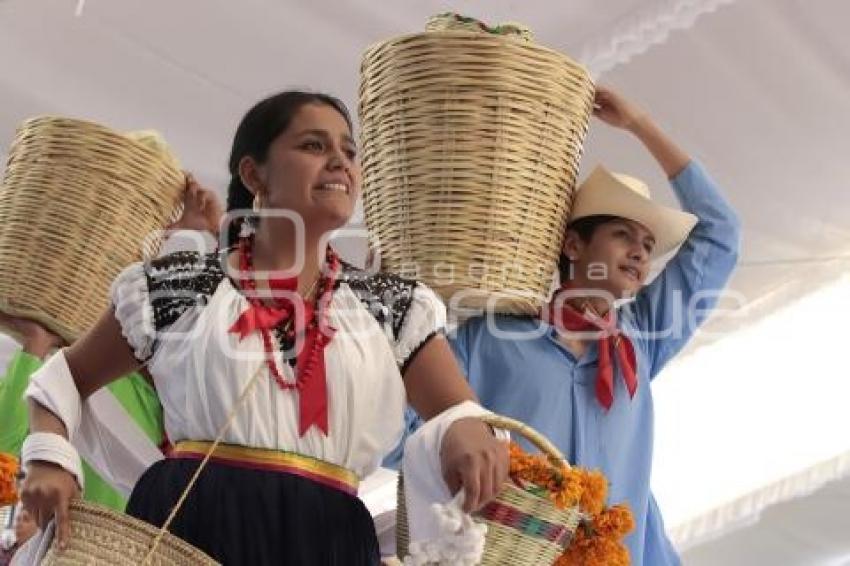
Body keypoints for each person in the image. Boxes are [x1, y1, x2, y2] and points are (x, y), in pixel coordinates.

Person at [19, 91, 508, 565]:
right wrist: (47, 456)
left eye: (349, 150)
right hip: (189, 526)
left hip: (327, 541)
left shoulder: (393, 307)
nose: (340, 161)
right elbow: (65, 377)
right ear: (255, 174)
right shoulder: (179, 286)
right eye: (314, 145)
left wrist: (460, 428)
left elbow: (459, 412)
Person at [394, 85, 741, 565]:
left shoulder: (643, 339)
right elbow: (404, 435)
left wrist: (640, 123)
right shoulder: (489, 339)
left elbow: (721, 233)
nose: (641, 251)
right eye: (623, 234)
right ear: (573, 247)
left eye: (647, 242)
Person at [0, 177, 222, 512]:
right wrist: (34, 347)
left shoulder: (152, 381)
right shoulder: (36, 359)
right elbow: (10, 448)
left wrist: (201, 234)